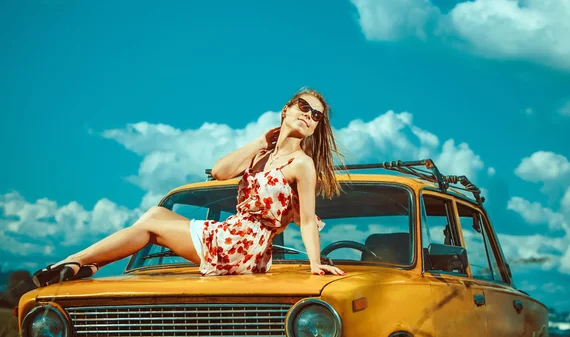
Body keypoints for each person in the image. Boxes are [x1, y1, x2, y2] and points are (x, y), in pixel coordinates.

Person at [33, 86, 347, 287]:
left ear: (317, 127)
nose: (308, 116)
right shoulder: (262, 155)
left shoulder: (302, 165)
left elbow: (307, 220)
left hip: (245, 247)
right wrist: (259, 141)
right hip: (229, 234)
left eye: (316, 115)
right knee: (155, 214)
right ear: (287, 110)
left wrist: (315, 263)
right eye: (303, 107)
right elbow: (222, 171)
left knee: (154, 220)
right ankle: (81, 265)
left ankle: (74, 262)